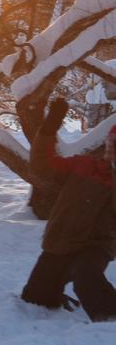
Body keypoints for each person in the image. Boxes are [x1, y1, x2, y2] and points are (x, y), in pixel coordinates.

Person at [20, 97, 116, 322]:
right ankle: (59, 296)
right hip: (61, 242)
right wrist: (49, 126)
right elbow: (41, 166)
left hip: (96, 246)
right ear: (109, 146)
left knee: (86, 277)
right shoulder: (83, 166)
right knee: (35, 299)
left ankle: (110, 319)